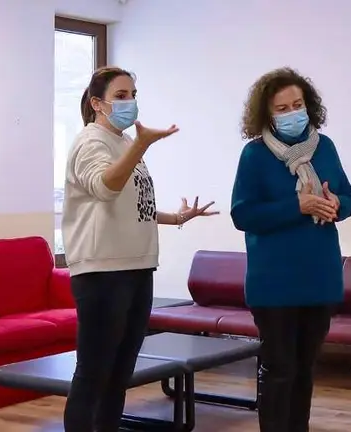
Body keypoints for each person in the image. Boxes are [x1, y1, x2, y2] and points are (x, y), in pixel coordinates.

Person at [61, 66, 218, 432]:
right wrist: (141, 143)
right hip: (103, 271)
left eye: (132, 94)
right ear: (97, 103)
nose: (129, 102)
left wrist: (177, 218)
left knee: (119, 374)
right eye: (120, 95)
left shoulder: (122, 142)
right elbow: (105, 187)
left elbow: (134, 205)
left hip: (137, 266)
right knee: (94, 372)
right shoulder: (91, 141)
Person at [230, 67, 351, 432]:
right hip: (274, 284)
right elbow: (243, 214)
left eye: (297, 104)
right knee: (279, 369)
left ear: (309, 105)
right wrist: (296, 207)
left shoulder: (325, 146)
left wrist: (336, 204)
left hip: (320, 278)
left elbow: (346, 197)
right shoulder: (254, 155)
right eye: (282, 108)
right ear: (267, 114)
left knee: (303, 369)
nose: (292, 113)